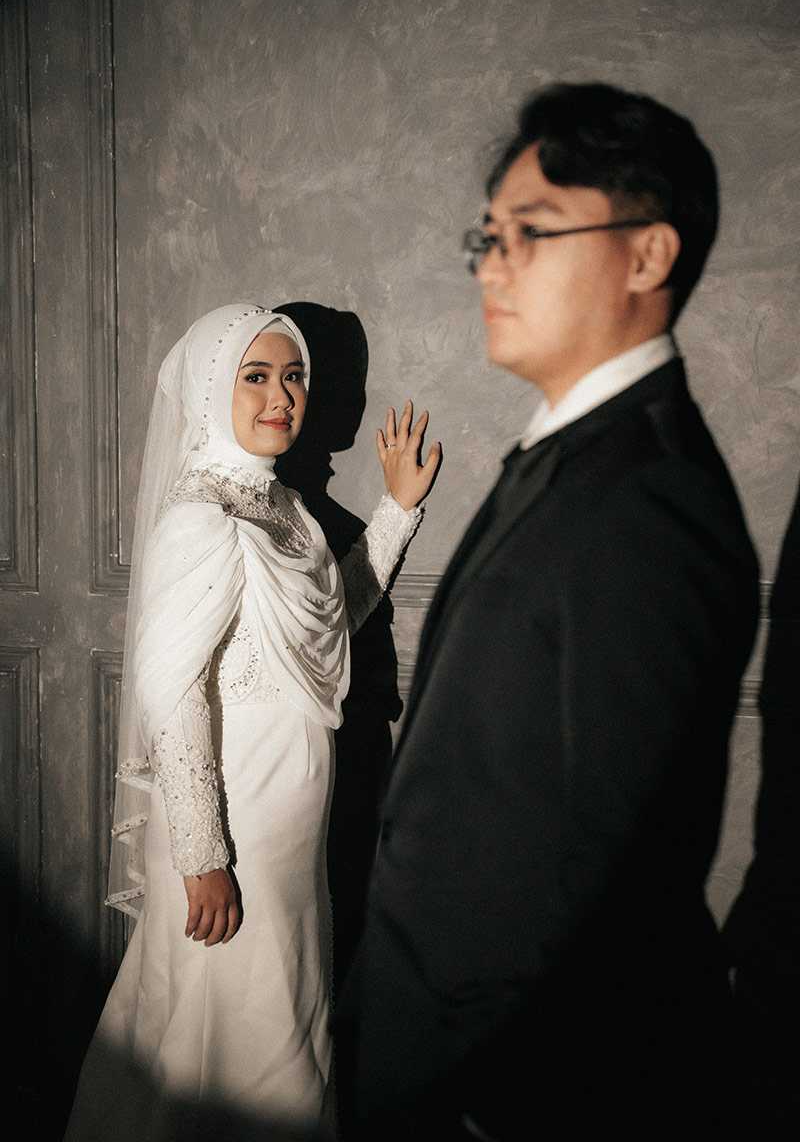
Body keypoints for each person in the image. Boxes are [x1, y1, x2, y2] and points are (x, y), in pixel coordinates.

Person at [339, 83, 760, 1141]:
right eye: (487, 238)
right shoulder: (572, 454)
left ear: (647, 254)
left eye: (530, 233)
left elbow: (613, 884)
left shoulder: (649, 501)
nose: (491, 265)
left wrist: (483, 1104)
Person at [64, 303, 439, 1141]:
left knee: (281, 1021)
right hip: (232, 828)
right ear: (211, 390)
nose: (283, 397)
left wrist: (397, 510)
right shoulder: (198, 520)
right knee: (227, 1037)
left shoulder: (290, 513)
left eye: (294, 376)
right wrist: (203, 856)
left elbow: (330, 621)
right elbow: (172, 695)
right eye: (257, 377)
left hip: (293, 824)